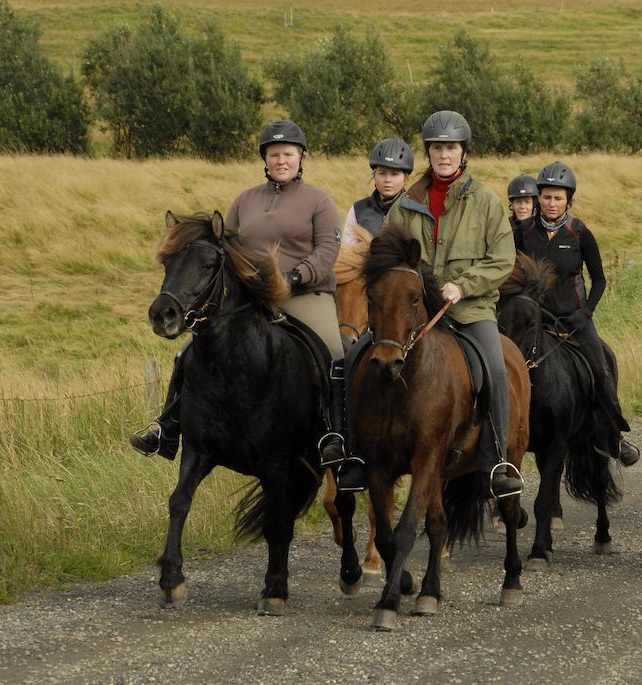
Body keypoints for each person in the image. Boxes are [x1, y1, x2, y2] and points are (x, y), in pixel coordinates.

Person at [130, 120, 348, 471]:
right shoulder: (245, 201)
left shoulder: (319, 201)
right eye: (274, 155)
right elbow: (224, 249)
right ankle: (166, 428)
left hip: (303, 294)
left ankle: (335, 436)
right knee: (189, 350)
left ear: (300, 157)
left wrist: (294, 276)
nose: (281, 161)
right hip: (251, 298)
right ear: (265, 159)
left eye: (288, 154)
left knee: (335, 354)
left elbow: (326, 253)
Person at [335, 110, 523, 499]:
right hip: (412, 314)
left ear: (463, 152)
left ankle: (498, 458)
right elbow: (383, 253)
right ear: (430, 152)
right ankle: (353, 454)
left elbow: (503, 259)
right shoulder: (407, 205)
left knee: (495, 367)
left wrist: (464, 286)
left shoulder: (486, 202)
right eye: (437, 148)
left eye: (451, 148)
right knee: (352, 360)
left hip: (468, 310)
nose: (444, 155)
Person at [513, 160, 640, 467]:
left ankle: (615, 435)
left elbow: (599, 279)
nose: (551, 203)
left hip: (573, 319)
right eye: (546, 197)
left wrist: (587, 312)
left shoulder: (580, 233)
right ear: (537, 198)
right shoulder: (522, 233)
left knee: (601, 368)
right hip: (533, 319)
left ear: (568, 199)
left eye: (558, 197)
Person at [343, 137, 414, 243]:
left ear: (405, 179)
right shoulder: (358, 210)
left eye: (395, 174)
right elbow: (348, 250)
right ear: (374, 175)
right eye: (382, 173)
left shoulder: (415, 211)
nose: (387, 180)